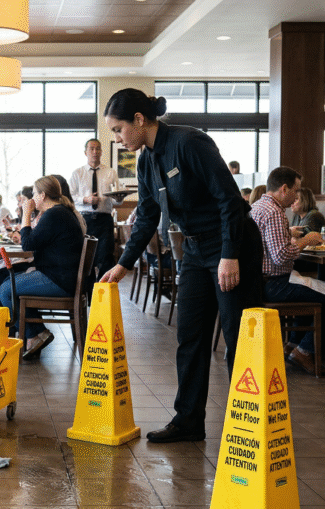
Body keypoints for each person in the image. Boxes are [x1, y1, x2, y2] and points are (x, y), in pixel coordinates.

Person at [98, 88, 263, 443]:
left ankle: (246, 425)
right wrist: (123, 265)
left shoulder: (189, 143)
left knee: (237, 337)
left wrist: (230, 254)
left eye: (117, 129)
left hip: (231, 244)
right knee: (190, 335)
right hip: (194, 248)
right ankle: (188, 419)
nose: (116, 137)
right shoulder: (146, 160)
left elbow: (229, 200)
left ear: (139, 120)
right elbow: (146, 216)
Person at [250, 167, 325, 375]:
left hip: (260, 282)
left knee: (313, 290)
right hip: (276, 284)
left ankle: (293, 344)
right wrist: (306, 241)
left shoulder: (258, 206)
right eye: (296, 191)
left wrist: (289, 235)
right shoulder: (274, 212)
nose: (297, 196)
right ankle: (305, 351)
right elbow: (281, 256)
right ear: (284, 189)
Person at [0, 176, 83, 359]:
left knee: (6, 289)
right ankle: (37, 332)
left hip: (59, 280)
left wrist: (26, 213)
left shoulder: (54, 214)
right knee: (8, 282)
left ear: (43, 195)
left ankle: (33, 335)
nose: (32, 198)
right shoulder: (60, 212)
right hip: (62, 276)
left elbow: (27, 243)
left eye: (35, 194)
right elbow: (35, 240)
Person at [71, 139, 122, 279]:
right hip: (84, 220)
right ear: (85, 152)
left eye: (98, 149)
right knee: (86, 259)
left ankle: (103, 294)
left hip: (104, 220)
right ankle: (88, 294)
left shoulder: (110, 172)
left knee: (106, 258)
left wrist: (119, 198)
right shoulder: (77, 173)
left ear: (101, 152)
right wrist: (85, 199)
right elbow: (70, 197)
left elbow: (115, 201)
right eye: (92, 149)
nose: (95, 152)